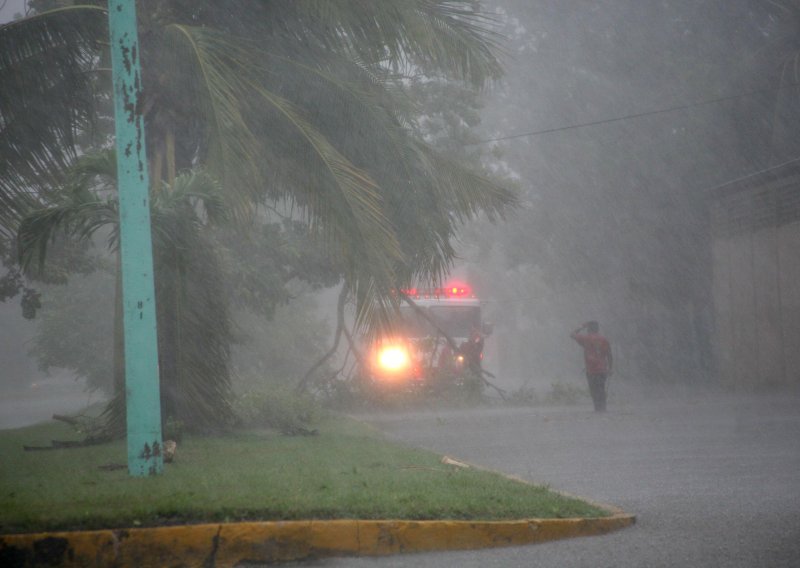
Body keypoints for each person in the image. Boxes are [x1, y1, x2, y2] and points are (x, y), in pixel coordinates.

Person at [570, 321, 613, 412]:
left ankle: (597, 410)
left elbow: (572, 334)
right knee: (601, 390)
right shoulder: (604, 340)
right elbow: (609, 355)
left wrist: (582, 326)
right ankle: (602, 410)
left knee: (594, 392)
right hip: (602, 370)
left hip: (591, 371)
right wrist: (610, 368)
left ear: (588, 329)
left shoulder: (585, 338)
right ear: (597, 329)